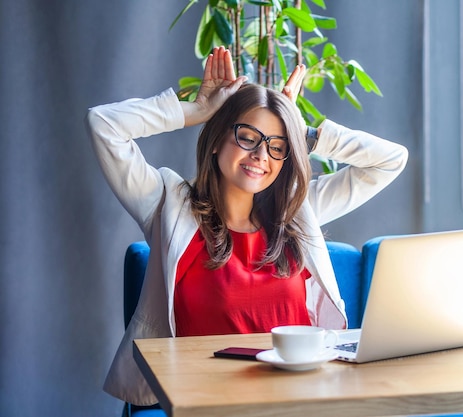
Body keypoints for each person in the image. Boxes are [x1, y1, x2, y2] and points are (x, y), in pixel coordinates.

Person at [86, 46, 408, 406]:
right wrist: (195, 111)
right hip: (209, 403)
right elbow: (104, 125)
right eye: (248, 137)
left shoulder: (297, 212)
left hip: (301, 401)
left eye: (276, 145)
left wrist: (308, 133)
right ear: (216, 140)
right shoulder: (167, 206)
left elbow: (391, 161)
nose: (260, 156)